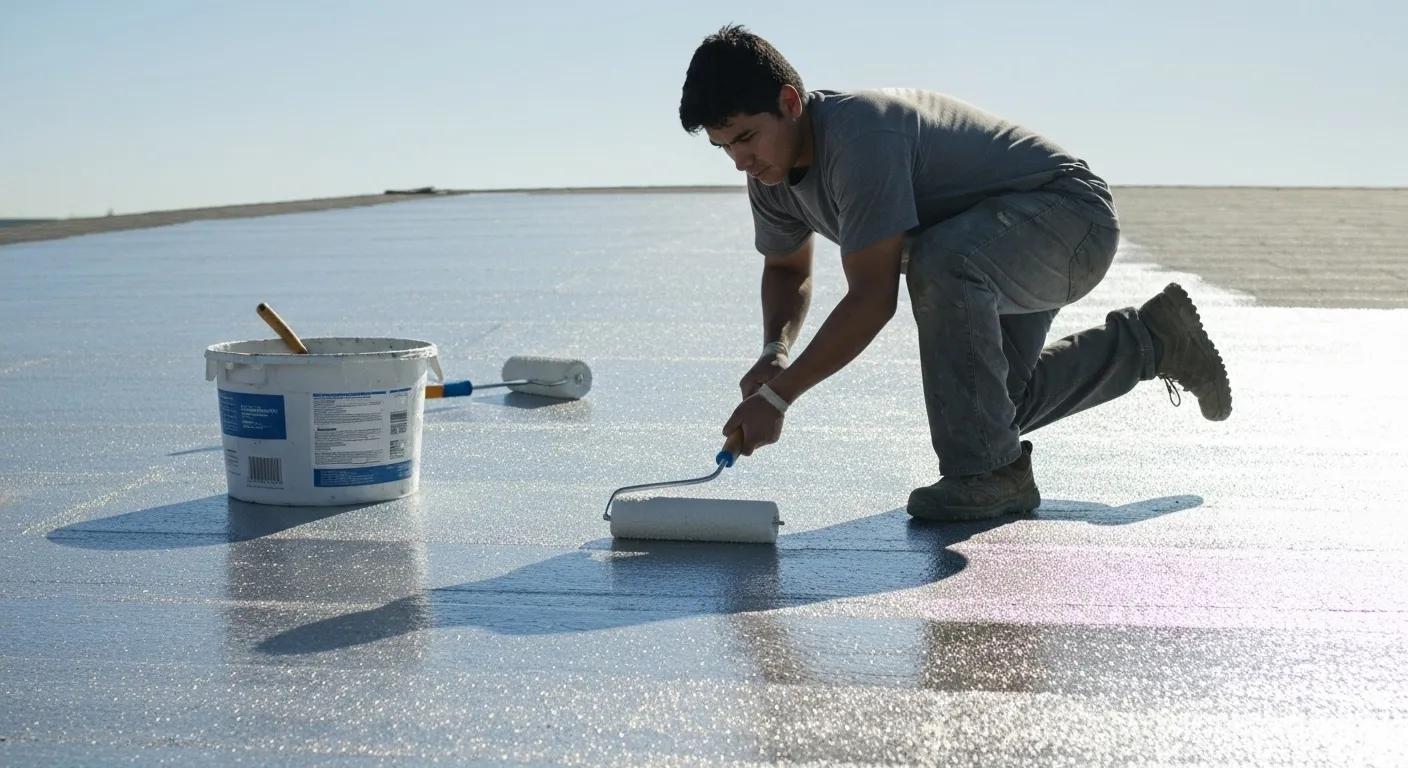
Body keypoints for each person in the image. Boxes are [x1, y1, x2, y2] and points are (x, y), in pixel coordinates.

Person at [678, 25, 1232, 521]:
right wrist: (775, 350)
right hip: (988, 252)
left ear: (789, 102)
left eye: (746, 138)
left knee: (941, 264)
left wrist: (778, 398)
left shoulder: (859, 138)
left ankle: (988, 476)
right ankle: (1154, 340)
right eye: (724, 147)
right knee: (987, 414)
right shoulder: (771, 177)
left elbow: (872, 298)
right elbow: (785, 268)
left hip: (1069, 223)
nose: (740, 161)